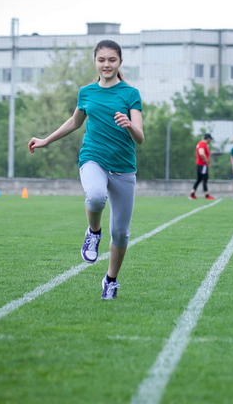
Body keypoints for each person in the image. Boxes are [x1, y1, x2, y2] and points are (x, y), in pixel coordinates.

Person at [28, 40, 144, 300]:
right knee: (95, 196)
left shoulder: (130, 94)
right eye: (101, 59)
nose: (106, 64)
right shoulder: (86, 92)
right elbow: (74, 122)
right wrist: (46, 140)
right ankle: (93, 232)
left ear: (120, 62)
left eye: (112, 60)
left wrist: (128, 124)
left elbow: (140, 137)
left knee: (121, 234)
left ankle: (111, 280)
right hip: (93, 159)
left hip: (124, 168)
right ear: (95, 61)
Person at [190, 133, 215, 200]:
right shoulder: (202, 144)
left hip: (199, 164)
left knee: (199, 179)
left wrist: (208, 153)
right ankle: (206, 195)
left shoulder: (200, 144)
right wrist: (206, 160)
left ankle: (192, 193)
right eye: (210, 139)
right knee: (205, 179)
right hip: (202, 165)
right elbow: (201, 153)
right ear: (208, 138)